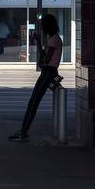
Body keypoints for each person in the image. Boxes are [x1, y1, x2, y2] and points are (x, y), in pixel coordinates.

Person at [10, 13, 64, 141]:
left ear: (48, 26)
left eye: (43, 26)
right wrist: (39, 43)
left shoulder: (54, 40)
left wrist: (40, 45)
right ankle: (23, 129)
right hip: (48, 71)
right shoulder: (53, 38)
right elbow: (43, 59)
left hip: (48, 72)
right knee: (33, 102)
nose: (42, 28)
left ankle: (24, 131)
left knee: (33, 102)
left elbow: (45, 59)